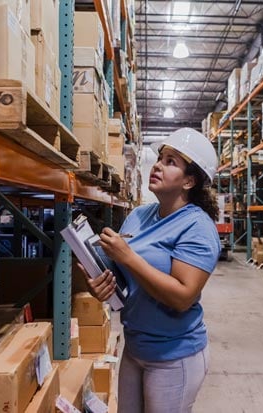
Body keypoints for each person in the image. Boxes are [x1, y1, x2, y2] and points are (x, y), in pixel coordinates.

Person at [80, 128, 222, 413]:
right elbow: (124, 279)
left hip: (174, 355)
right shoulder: (138, 215)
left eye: (171, 161)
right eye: (160, 158)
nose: (157, 165)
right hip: (135, 346)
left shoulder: (197, 227)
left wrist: (128, 256)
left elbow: (183, 296)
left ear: (189, 181)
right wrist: (101, 286)